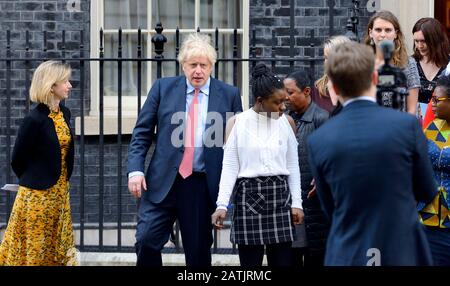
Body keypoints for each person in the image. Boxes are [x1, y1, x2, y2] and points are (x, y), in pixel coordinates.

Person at [307, 41, 437, 266]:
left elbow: (330, 206)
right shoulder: (406, 126)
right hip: (400, 249)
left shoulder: (318, 140)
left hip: (348, 252)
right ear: (375, 79)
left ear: (334, 88)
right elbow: (427, 190)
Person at [127, 32, 243, 266]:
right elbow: (142, 132)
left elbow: (235, 145)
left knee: (198, 253)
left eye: (203, 65)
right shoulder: (163, 88)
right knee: (147, 240)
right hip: (162, 182)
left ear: (212, 66)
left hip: (201, 185)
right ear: (183, 66)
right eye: (192, 65)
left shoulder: (229, 95)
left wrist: (229, 190)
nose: (198, 70)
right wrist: (135, 170)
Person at [211, 63, 303, 267]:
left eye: (284, 101)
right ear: (260, 101)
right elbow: (230, 167)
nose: (283, 107)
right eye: (277, 102)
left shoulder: (287, 123)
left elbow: (293, 165)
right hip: (248, 199)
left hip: (280, 197)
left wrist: (297, 202)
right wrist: (221, 205)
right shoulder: (237, 123)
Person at [0, 60, 77, 266]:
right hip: (38, 196)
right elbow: (18, 159)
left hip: (60, 192)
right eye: (65, 81)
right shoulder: (34, 120)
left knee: (57, 245)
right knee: (37, 247)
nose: (70, 85)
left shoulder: (65, 114)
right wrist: (35, 181)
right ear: (51, 86)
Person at [284, 70, 329, 266]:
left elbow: (330, 158)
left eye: (291, 92)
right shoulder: (284, 119)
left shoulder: (321, 118)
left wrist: (321, 178)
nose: (286, 97)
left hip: (314, 206)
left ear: (307, 91)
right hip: (290, 203)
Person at [364, 10, 421, 115]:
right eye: (378, 30)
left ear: (396, 33)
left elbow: (412, 109)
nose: (383, 35)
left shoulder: (408, 63)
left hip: (399, 126)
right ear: (370, 33)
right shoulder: (363, 63)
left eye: (388, 30)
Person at [419, 74, 450, 266]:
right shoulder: (433, 127)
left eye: (438, 100)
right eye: (432, 100)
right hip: (428, 221)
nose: (432, 104)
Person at [412, 18, 450, 104]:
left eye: (423, 41)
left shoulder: (449, 65)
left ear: (436, 40)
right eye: (416, 41)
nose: (419, 46)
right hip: (414, 116)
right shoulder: (410, 64)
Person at [314, 35, 351, 115]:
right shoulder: (318, 90)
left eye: (332, 57)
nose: (327, 62)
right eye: (326, 58)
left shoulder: (357, 89)